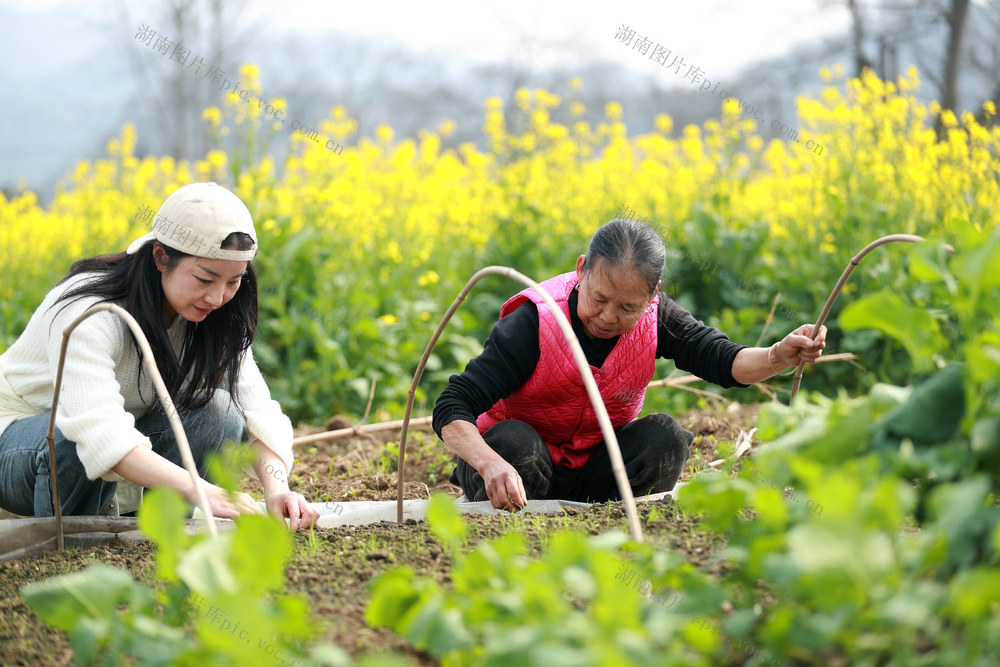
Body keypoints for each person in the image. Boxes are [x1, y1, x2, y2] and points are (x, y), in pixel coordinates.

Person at [433, 218, 827, 511]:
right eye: (599, 299)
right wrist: (490, 463)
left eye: (627, 307)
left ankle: (614, 527)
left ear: (653, 295)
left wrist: (778, 355)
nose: (608, 317)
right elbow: (452, 406)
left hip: (593, 468)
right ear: (581, 269)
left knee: (665, 438)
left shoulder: (657, 318)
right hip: (517, 467)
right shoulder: (535, 322)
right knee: (515, 442)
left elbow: (723, 360)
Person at [0, 182, 318, 530]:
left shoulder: (214, 315)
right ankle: (75, 542)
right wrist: (205, 491)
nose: (217, 298)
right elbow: (96, 430)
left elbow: (255, 409)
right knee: (71, 435)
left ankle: (160, 537)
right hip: (22, 441)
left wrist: (278, 489)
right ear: (160, 258)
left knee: (219, 412)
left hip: (124, 440)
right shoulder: (91, 311)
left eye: (233, 281)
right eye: (205, 279)